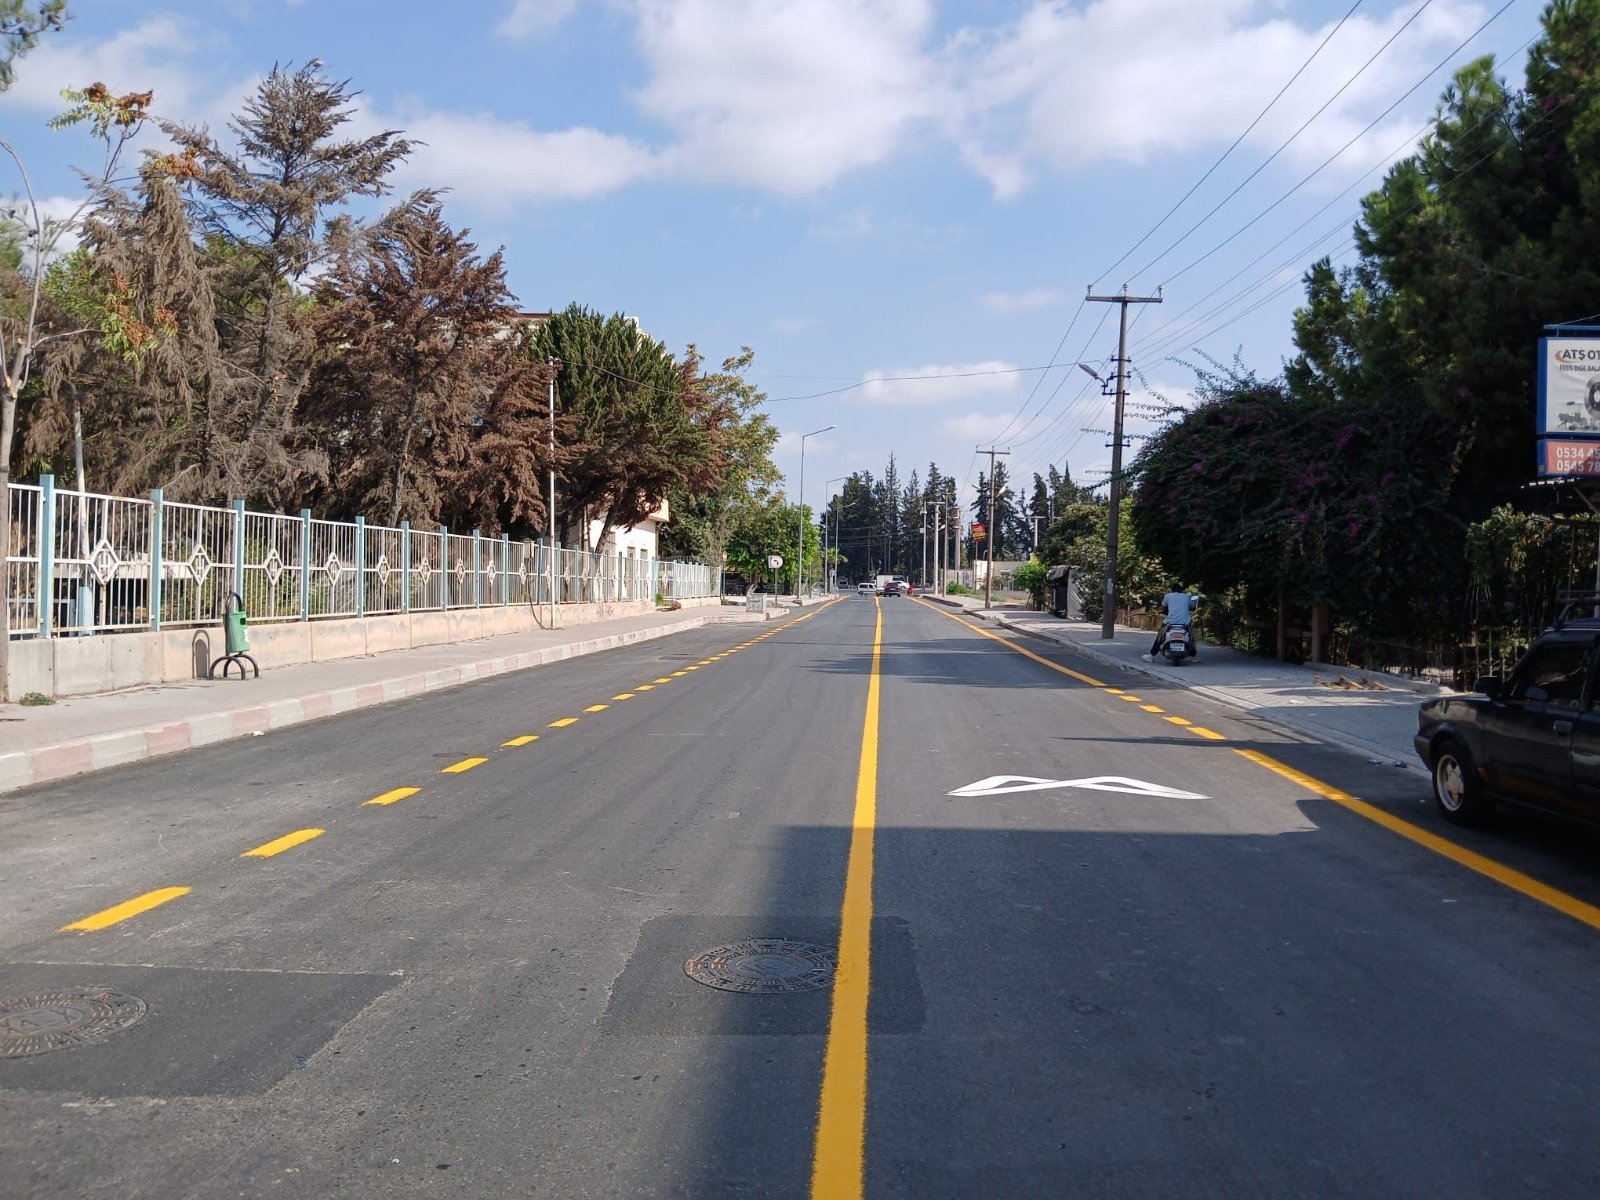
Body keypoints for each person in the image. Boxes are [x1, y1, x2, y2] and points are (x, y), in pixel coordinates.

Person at [1142, 586, 1194, 662]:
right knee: (1191, 637)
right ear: (1182, 590)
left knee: (1160, 636)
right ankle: (1194, 656)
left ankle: (1151, 656)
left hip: (1170, 623)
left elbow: (1163, 607)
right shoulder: (1186, 597)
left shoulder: (1168, 596)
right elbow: (1192, 607)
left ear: (1172, 590)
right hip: (1184, 623)